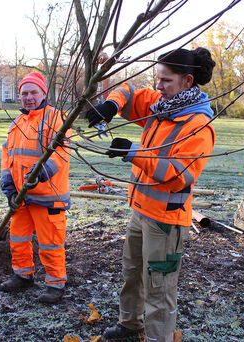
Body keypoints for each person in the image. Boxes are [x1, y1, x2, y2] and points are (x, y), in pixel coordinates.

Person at [85, 47, 216, 341]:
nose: (158, 86)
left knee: (160, 289)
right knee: (131, 274)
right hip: (140, 211)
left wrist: (132, 152)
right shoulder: (161, 105)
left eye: (166, 80)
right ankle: (130, 324)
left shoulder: (197, 126)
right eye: (157, 78)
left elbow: (178, 177)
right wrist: (109, 106)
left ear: (187, 81)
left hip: (166, 223)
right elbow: (129, 91)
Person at [0, 72, 70, 304]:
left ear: (43, 94)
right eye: (24, 93)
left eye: (33, 92)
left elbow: (61, 153)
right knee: (18, 238)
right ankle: (23, 275)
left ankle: (55, 284)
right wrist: (9, 186)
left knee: (50, 242)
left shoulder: (56, 118)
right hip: (21, 197)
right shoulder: (17, 122)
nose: (29, 97)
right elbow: (7, 154)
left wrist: (41, 173)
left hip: (48, 196)